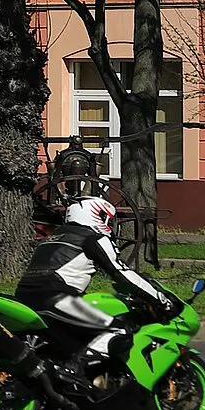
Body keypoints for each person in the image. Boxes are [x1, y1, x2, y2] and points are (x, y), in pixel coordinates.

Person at [14, 148, 175, 393]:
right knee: (118, 328)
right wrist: (159, 298)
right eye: (108, 221)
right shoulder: (93, 239)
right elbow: (122, 273)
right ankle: (75, 371)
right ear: (99, 217)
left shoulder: (54, 237)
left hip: (25, 297)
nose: (109, 226)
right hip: (59, 297)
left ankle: (60, 372)